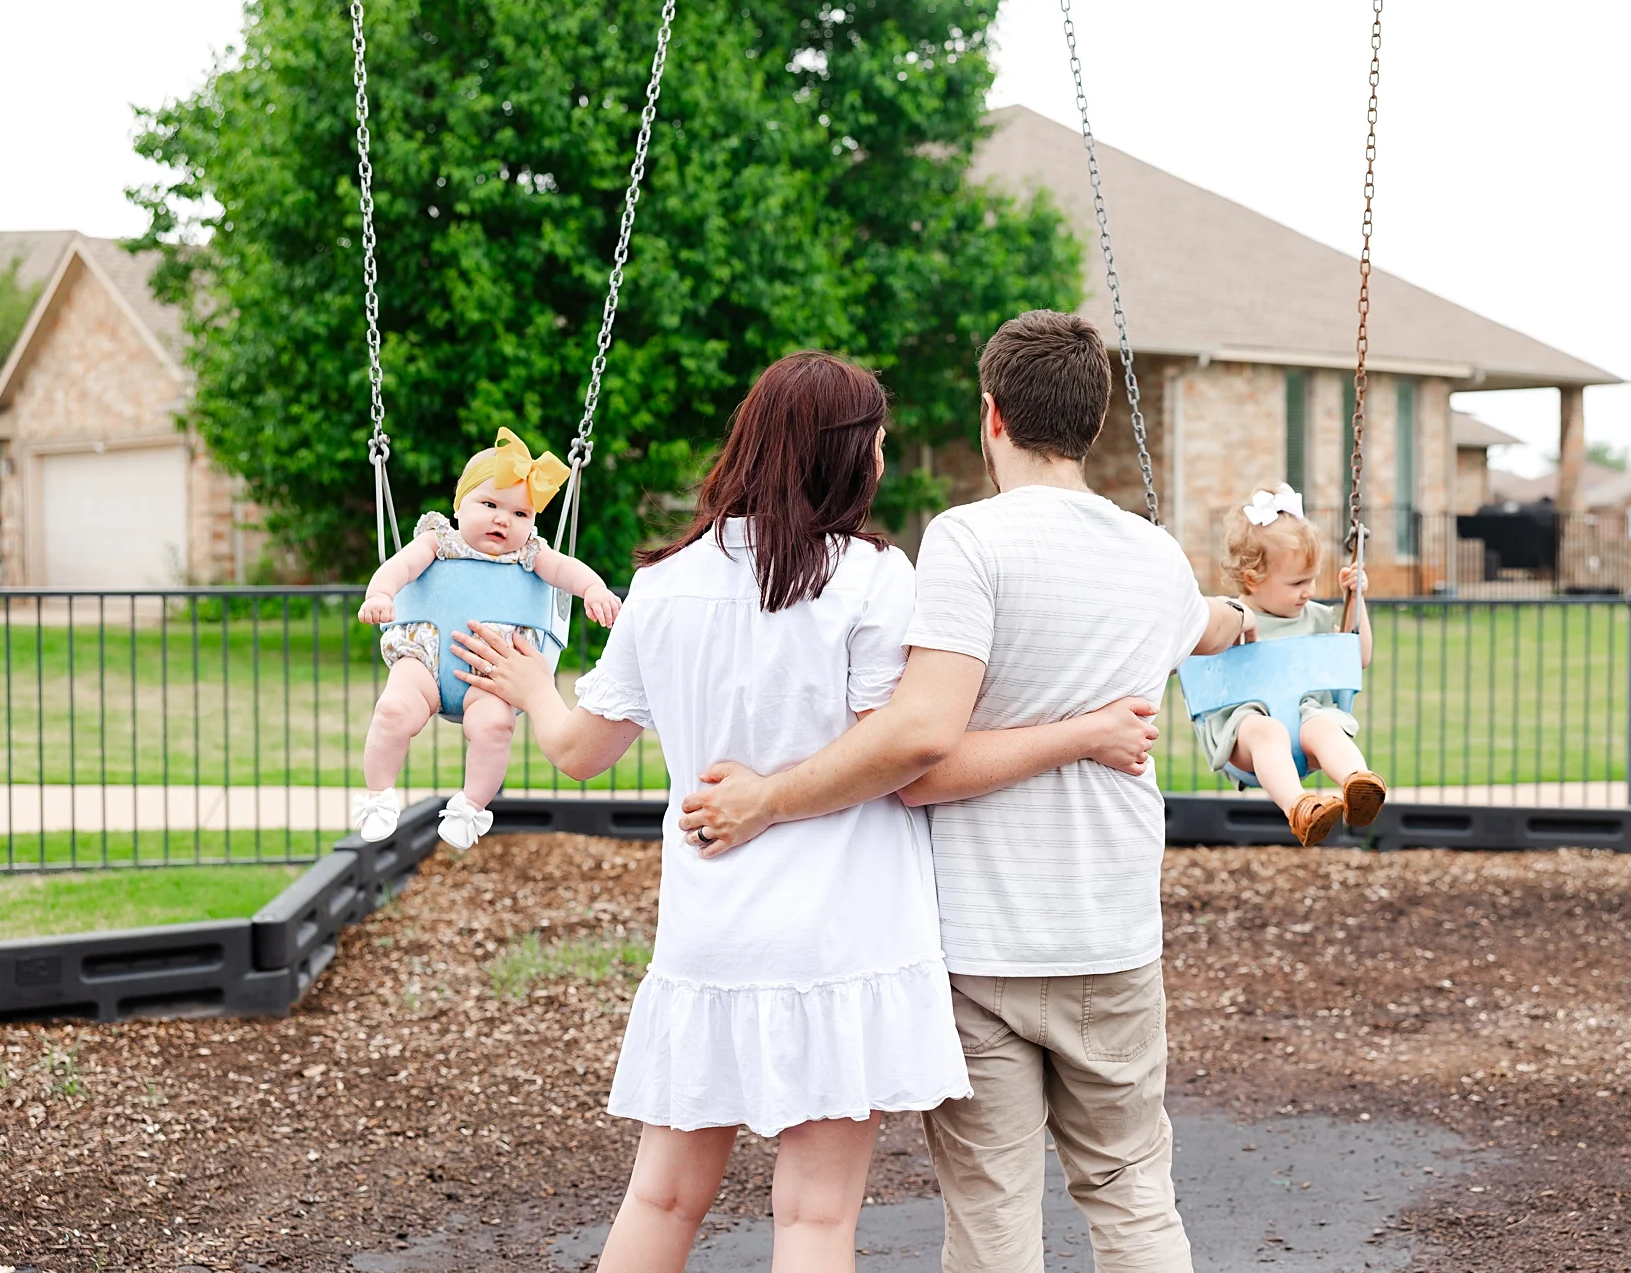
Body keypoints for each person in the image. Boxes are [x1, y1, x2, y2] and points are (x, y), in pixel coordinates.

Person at [449, 350, 1163, 1273]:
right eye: (873, 445)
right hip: (843, 938)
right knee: (816, 1219)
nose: (877, 462)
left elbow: (580, 749)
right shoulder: (871, 578)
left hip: (711, 933)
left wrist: (535, 686)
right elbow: (905, 746)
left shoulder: (664, 584)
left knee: (661, 1198)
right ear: (847, 457)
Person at [676, 311, 1253, 1273]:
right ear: (1094, 424)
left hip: (983, 941)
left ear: (992, 415)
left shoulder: (968, 542)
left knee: (991, 1220)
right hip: (1112, 931)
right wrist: (1275, 613)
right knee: (1135, 1196)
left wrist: (770, 797)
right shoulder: (1156, 554)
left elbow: (919, 754)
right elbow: (1210, 625)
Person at [353, 427, 621, 849]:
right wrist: (380, 594)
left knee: (495, 726)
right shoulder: (438, 541)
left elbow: (568, 569)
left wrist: (594, 589)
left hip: (493, 674)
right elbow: (399, 568)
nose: (504, 519)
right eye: (490, 504)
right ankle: (379, 797)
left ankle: (470, 808)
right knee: (392, 709)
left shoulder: (530, 553)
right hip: (425, 659)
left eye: (520, 514)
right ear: (461, 506)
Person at [1193, 483, 1386, 847]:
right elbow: (1187, 645)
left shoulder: (1313, 616)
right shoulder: (1228, 616)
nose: (1309, 590)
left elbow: (1356, 658)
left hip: (1304, 721)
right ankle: (1299, 808)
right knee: (1267, 731)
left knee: (1325, 724)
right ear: (1253, 579)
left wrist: (1355, 600)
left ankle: (1358, 783)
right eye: (1298, 582)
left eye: (1312, 579)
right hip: (1245, 734)